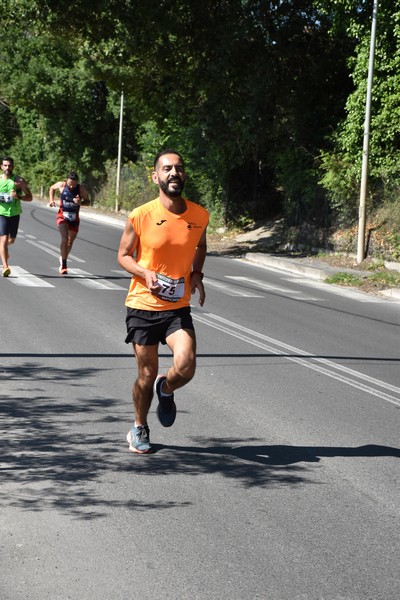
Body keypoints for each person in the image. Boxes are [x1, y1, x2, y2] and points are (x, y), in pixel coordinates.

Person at [118, 149, 209, 454]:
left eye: (179, 168)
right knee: (145, 373)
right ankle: (140, 426)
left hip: (176, 307)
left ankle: (166, 388)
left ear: (184, 175)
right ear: (156, 176)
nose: (174, 173)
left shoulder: (199, 215)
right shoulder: (140, 215)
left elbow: (201, 245)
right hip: (143, 305)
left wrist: (197, 272)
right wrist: (144, 273)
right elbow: (123, 256)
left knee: (186, 365)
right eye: (167, 168)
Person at [48, 171, 90, 274]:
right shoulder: (61, 185)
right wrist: (51, 200)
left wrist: (81, 202)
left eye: (73, 184)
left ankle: (63, 257)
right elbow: (51, 188)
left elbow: (88, 202)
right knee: (65, 238)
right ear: (66, 180)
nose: (71, 187)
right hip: (62, 216)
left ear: (77, 182)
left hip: (74, 219)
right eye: (70, 184)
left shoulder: (81, 189)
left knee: (70, 242)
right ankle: (64, 264)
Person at [0, 156, 32, 277]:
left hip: (14, 213)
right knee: (3, 239)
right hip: (1, 213)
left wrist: (19, 197)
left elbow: (30, 197)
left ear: (13, 167)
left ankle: (2, 248)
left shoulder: (19, 181)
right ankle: (5, 266)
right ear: (1, 166)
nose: (7, 167)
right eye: (5, 165)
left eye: (9, 165)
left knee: (11, 240)